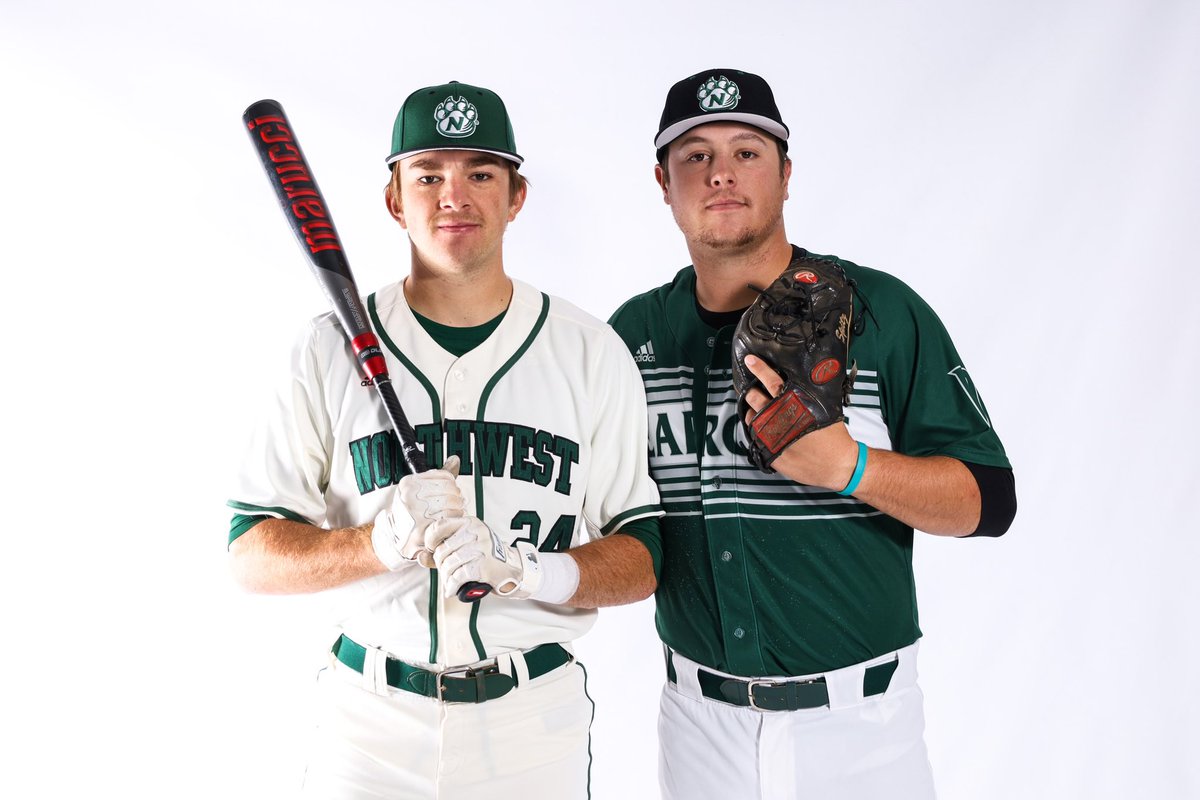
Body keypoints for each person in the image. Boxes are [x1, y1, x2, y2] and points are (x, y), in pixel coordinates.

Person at [228, 80, 662, 799]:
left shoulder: (589, 351)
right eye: (428, 175)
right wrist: (378, 543)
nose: (453, 196)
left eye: (480, 174)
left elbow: (643, 557)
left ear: (517, 197)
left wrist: (527, 571)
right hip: (366, 727)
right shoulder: (323, 349)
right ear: (395, 200)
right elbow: (251, 554)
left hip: (532, 725)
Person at [608, 69, 1016, 800]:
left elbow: (990, 502)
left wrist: (851, 467)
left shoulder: (880, 312)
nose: (722, 173)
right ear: (664, 182)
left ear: (786, 174)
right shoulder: (633, 334)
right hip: (697, 727)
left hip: (861, 730)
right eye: (696, 155)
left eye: (747, 152)